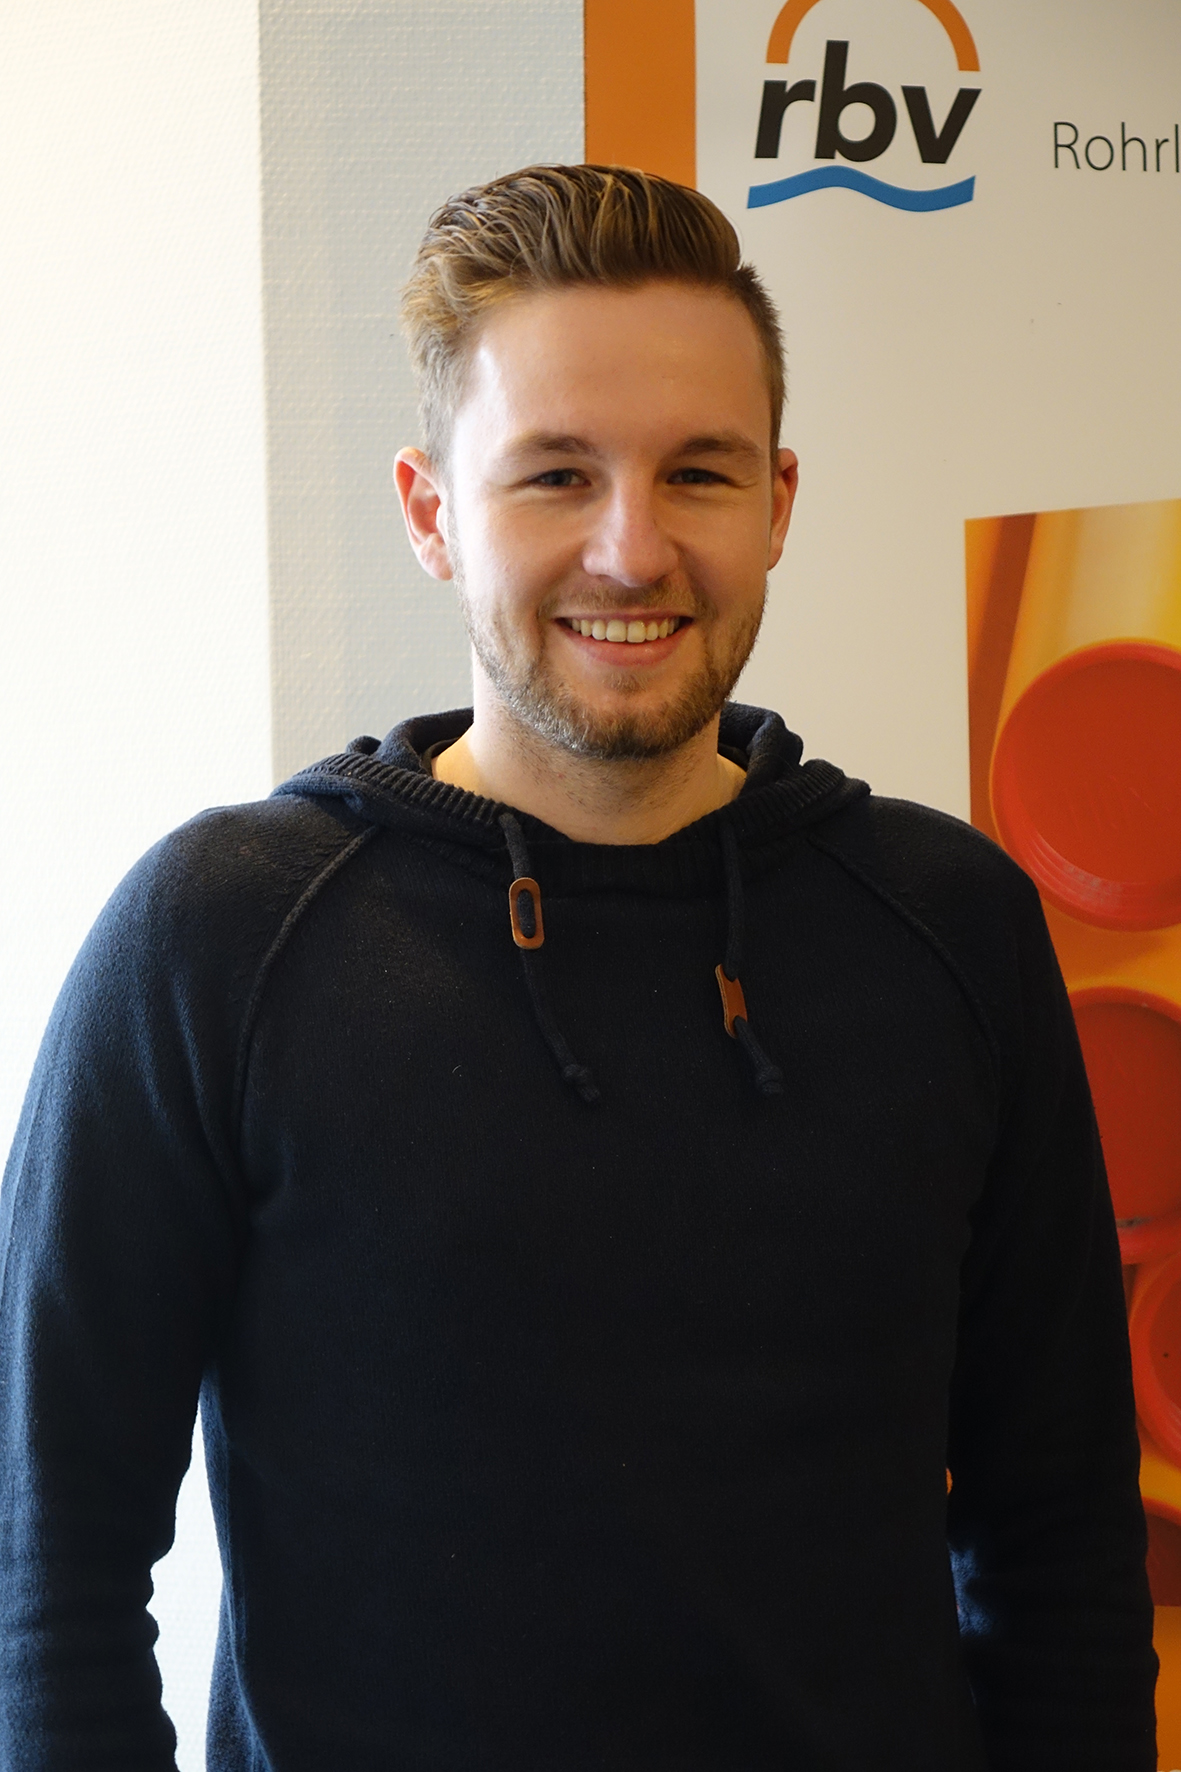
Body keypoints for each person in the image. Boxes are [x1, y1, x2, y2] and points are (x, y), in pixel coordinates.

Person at [0, 164, 1157, 1769]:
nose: (632, 549)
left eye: (698, 473)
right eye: (555, 475)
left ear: (777, 503)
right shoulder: (219, 937)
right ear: (429, 511)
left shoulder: (948, 924)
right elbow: (45, 1564)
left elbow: (1061, 1549)